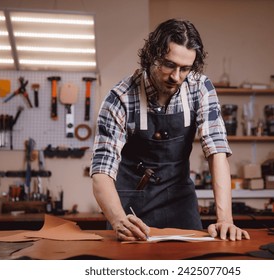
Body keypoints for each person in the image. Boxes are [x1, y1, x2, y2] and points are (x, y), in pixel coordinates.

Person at [90, 18, 250, 242]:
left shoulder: (200, 88)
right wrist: (118, 219)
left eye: (185, 68)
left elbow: (217, 151)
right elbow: (102, 172)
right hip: (130, 208)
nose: (176, 76)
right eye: (168, 65)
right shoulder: (120, 98)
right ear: (151, 56)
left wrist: (225, 219)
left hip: (180, 202)